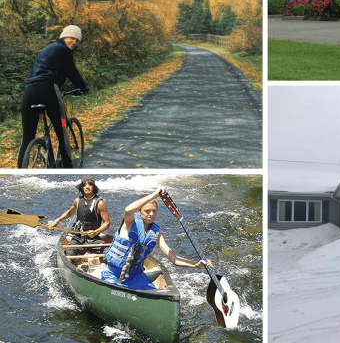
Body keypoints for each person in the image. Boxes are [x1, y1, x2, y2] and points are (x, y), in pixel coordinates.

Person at [101, 187, 210, 291]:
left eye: (154, 211)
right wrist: (155, 194)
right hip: (113, 274)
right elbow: (128, 209)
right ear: (139, 211)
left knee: (156, 294)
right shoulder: (129, 223)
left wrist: (195, 265)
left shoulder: (156, 234)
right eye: (147, 211)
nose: (151, 214)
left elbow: (174, 259)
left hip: (136, 276)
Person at [17, 25, 90, 169]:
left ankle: (21, 171)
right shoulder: (62, 50)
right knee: (61, 130)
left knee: (27, 138)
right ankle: (69, 169)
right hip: (48, 88)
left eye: (77, 40)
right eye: (72, 38)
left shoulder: (47, 50)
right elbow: (72, 72)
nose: (74, 42)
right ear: (64, 37)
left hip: (29, 90)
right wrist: (83, 87)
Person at [48, 176, 111, 257]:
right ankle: (76, 259)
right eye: (84, 185)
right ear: (81, 188)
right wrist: (56, 221)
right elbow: (69, 213)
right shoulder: (77, 201)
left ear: (93, 187)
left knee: (108, 255)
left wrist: (96, 232)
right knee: (69, 255)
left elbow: (107, 223)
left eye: (90, 185)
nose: (87, 187)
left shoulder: (100, 203)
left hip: (93, 239)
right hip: (78, 238)